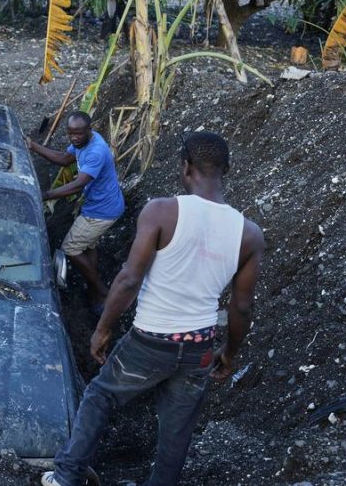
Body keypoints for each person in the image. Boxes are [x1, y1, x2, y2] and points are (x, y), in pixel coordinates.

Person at [41, 132, 265, 486]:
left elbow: (129, 278)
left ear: (185, 166)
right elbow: (241, 306)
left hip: (149, 342)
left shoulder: (162, 211)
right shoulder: (249, 234)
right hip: (199, 350)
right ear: (227, 170)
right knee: (176, 433)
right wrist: (230, 352)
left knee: (100, 397)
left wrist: (103, 328)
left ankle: (66, 476)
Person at [26, 111, 124, 313]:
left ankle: (102, 292)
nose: (74, 138)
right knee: (88, 246)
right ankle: (92, 288)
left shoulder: (97, 151)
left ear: (90, 129)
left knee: (70, 247)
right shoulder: (83, 142)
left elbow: (77, 186)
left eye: (78, 134)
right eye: (71, 134)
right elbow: (64, 159)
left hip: (101, 211)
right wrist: (33, 146)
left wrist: (44, 195)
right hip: (100, 205)